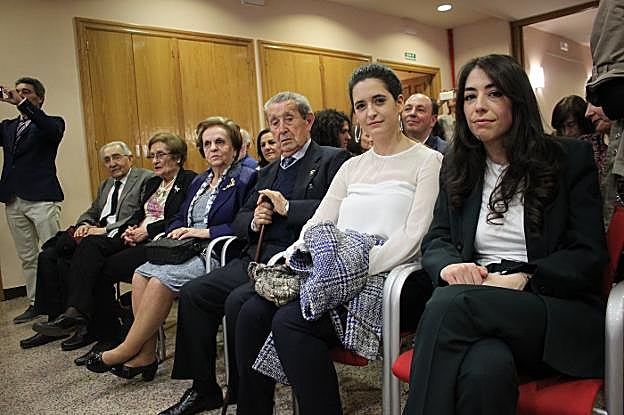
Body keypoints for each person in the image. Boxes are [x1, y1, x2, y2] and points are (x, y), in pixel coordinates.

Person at [402, 54, 608, 415]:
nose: (478, 107)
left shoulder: (568, 157)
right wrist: (450, 267)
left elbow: (588, 255)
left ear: (517, 99)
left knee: (447, 304)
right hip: (477, 304)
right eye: (469, 97)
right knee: (485, 370)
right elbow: (437, 238)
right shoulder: (458, 164)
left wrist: (524, 277)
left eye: (493, 93)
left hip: (550, 308)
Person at [234, 63, 442, 415]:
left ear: (398, 103)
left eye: (379, 101)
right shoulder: (352, 167)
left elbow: (414, 236)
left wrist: (350, 269)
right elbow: (318, 222)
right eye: (361, 105)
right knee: (251, 311)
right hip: (334, 267)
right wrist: (295, 255)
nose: (370, 112)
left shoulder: (428, 162)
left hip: (391, 277)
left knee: (290, 322)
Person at [157, 92, 350, 415]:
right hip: (256, 256)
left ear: (308, 121)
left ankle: (248, 396)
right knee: (194, 293)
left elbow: (341, 209)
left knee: (240, 304)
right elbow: (240, 218)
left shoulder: (333, 160)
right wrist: (255, 220)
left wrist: (289, 208)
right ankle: (204, 388)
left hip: (295, 261)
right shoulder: (267, 171)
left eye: (289, 119)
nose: (281, 129)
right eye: (274, 122)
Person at [84, 117, 257, 381]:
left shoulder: (246, 178)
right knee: (140, 275)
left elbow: (244, 223)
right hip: (186, 247)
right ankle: (146, 354)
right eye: (207, 144)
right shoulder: (201, 181)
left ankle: (126, 349)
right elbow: (179, 216)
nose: (213, 148)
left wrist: (204, 232)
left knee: (159, 281)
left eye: (220, 142)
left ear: (234, 148)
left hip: (217, 251)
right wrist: (176, 229)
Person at [32, 134, 193, 348]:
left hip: (159, 243)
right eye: (152, 156)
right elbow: (138, 212)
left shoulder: (189, 180)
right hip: (133, 237)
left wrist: (146, 231)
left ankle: (104, 331)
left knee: (100, 267)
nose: (155, 160)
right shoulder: (154, 183)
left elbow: (180, 217)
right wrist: (131, 229)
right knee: (81, 249)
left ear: (178, 157)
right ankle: (79, 316)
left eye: (160, 155)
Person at [18, 141, 153, 349]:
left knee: (86, 249)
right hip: (97, 235)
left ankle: (79, 315)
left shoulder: (145, 178)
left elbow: (141, 214)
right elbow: (92, 211)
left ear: (130, 158)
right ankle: (57, 321)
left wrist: (104, 229)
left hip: (120, 235)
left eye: (116, 157)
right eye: (107, 160)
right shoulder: (106, 185)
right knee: (49, 256)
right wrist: (84, 224)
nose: (112, 163)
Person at [0, 77, 65, 324]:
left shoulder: (52, 123)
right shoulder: (8, 127)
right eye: (17, 91)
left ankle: (60, 305)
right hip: (13, 198)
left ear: (40, 98)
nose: (19, 95)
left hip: (41, 197)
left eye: (26, 92)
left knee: (52, 253)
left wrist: (22, 104)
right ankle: (36, 303)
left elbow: (50, 130)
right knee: (27, 256)